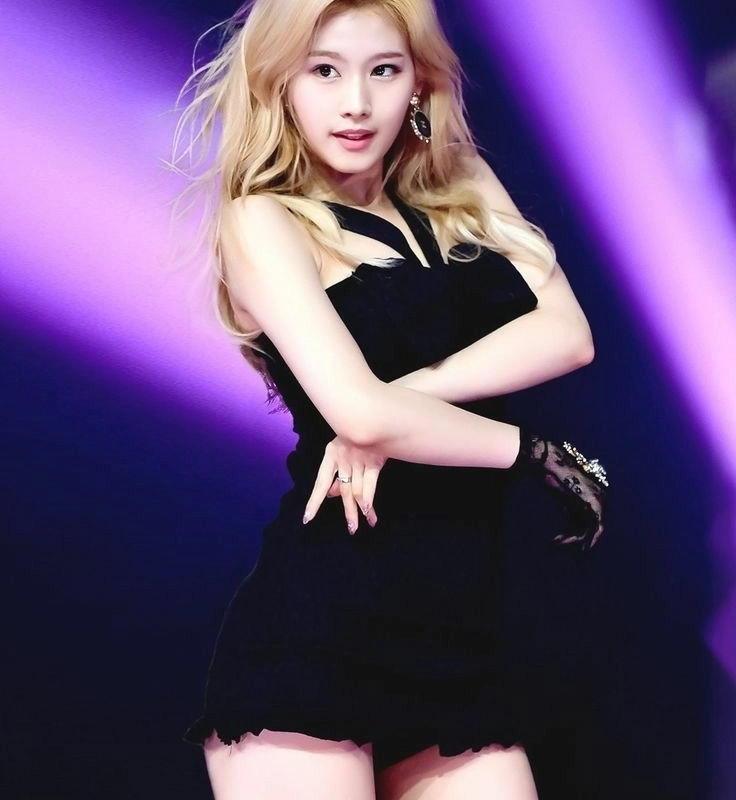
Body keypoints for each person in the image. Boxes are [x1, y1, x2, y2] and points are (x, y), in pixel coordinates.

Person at [172, 0, 608, 797]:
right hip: (320, 628)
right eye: (324, 71)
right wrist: (535, 453)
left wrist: (399, 401)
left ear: (417, 82)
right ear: (280, 83)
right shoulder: (263, 221)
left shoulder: (460, 183)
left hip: (459, 630)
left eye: (383, 70)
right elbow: (360, 413)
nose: (356, 102)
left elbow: (567, 335)